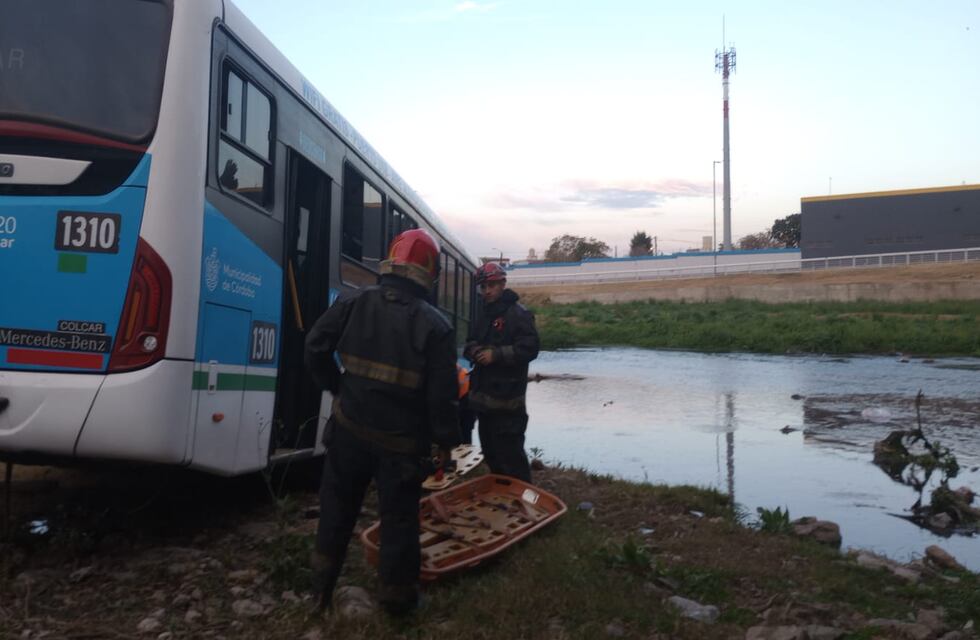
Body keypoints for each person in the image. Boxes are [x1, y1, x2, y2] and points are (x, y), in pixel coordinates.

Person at [304, 228, 459, 615]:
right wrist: (445, 445)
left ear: (390, 260)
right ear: (430, 272)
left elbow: (315, 347)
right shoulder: (437, 327)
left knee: (336, 511)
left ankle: (319, 594)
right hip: (402, 447)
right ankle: (397, 601)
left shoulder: (353, 301)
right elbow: (442, 397)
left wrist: (337, 387)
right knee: (399, 521)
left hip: (349, 431)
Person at [464, 261, 540, 483]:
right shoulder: (483, 315)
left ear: (503, 284)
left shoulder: (519, 314)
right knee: (491, 455)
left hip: (509, 404)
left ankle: (526, 499)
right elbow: (469, 343)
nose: (487, 291)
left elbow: (530, 348)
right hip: (484, 404)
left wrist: (496, 355)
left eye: (492, 285)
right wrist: (475, 351)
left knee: (512, 458)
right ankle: (501, 497)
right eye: (484, 287)